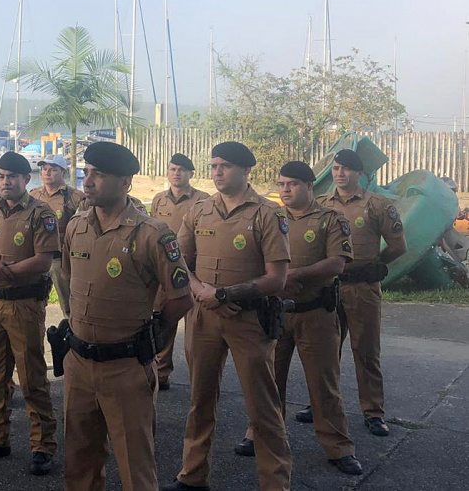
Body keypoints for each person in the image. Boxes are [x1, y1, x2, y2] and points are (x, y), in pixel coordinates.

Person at [61, 142, 195, 490]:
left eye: (98, 175)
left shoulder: (152, 234)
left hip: (125, 367)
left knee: (135, 467)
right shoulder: (76, 227)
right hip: (78, 363)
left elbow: (181, 298)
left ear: (125, 182)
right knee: (79, 464)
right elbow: (69, 280)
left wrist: (154, 336)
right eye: (86, 172)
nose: (87, 181)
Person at [163, 141, 292, 491]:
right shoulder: (199, 211)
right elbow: (180, 264)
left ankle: (275, 482)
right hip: (204, 317)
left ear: (246, 170)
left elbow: (276, 279)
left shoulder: (268, 214)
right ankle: (192, 475)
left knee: (262, 406)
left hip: (249, 320)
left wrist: (225, 294)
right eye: (214, 165)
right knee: (200, 400)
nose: (218, 172)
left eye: (226, 166)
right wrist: (204, 292)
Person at [233, 161, 363, 476]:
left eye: (291, 184)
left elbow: (337, 264)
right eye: (281, 184)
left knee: (323, 383)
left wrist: (290, 275)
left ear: (309, 186)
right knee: (267, 381)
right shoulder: (270, 218)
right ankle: (259, 434)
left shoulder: (330, 219)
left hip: (315, 313)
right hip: (274, 314)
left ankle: (338, 446)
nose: (285, 190)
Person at [294, 149, 407, 436]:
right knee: (325, 350)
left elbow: (398, 245)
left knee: (366, 350)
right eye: (335, 168)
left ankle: (373, 411)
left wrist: (375, 266)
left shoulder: (378, 205)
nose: (339, 173)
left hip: (361, 289)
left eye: (346, 169)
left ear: (359, 173)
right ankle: (320, 404)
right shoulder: (320, 204)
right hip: (328, 287)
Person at [0, 151, 59, 476]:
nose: (5, 182)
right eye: (1, 176)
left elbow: (45, 259)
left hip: (24, 305)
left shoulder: (40, 213)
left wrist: (8, 271)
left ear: (25, 180)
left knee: (32, 377)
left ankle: (42, 446)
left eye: (12, 177)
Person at [150, 153, 210, 390]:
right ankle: (161, 372)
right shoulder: (158, 200)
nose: (177, 173)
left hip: (191, 269)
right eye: (173, 169)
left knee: (196, 328)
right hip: (163, 268)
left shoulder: (203, 200)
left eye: (182, 170)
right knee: (163, 318)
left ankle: (200, 376)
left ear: (191, 174)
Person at [30, 154, 86, 318]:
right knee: (34, 303)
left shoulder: (75, 197)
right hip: (37, 258)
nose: (47, 173)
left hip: (61, 260)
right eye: (45, 169)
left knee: (69, 305)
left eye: (53, 169)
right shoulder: (33, 196)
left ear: (63, 172)